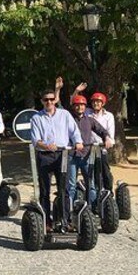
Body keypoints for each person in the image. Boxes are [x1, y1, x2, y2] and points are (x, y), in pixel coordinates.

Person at [30, 89, 84, 232]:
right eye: (46, 100)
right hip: (45, 156)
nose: (49, 102)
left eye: (51, 99)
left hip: (63, 155)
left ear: (55, 100)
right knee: (44, 190)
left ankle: (65, 220)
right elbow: (36, 140)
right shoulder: (36, 118)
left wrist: (78, 142)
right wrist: (46, 145)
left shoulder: (64, 114)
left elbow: (74, 131)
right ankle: (46, 221)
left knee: (64, 189)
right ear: (42, 101)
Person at [68, 95, 112, 209]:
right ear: (73, 107)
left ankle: (92, 208)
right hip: (71, 156)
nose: (80, 107)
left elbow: (102, 130)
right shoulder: (68, 119)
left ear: (85, 107)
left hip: (86, 156)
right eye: (77, 105)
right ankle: (70, 210)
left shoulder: (89, 120)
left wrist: (106, 138)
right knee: (71, 185)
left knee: (91, 184)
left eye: (82, 105)